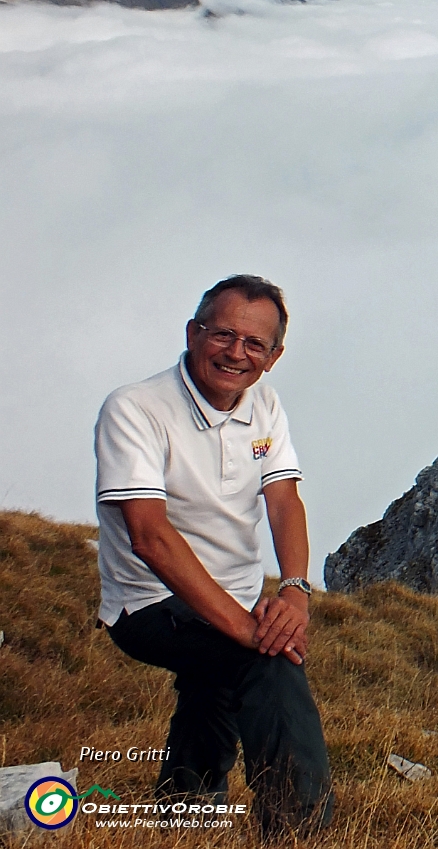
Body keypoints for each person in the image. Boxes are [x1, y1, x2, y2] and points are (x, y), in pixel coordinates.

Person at [94, 275, 334, 837]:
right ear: (193, 333)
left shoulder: (264, 405)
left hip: (239, 596)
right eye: (223, 334)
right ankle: (299, 832)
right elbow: (149, 536)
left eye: (255, 344)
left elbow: (283, 499)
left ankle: (185, 812)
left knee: (215, 680)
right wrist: (250, 631)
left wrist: (294, 592)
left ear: (273, 358)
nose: (236, 353)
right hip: (149, 603)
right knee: (269, 663)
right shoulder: (134, 408)